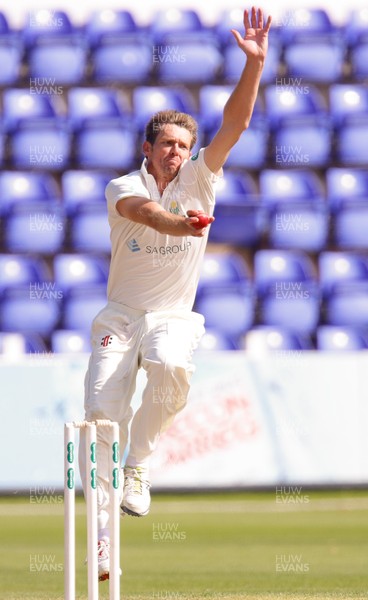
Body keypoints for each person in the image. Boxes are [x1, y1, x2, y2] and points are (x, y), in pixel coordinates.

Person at [78, 6, 272, 581]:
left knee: (169, 364)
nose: (175, 154)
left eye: (183, 146)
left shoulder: (201, 179)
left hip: (171, 315)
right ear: (147, 146)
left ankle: (140, 466)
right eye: (166, 144)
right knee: (99, 416)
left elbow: (234, 126)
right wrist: (176, 224)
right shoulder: (123, 187)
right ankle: (103, 538)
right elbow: (144, 213)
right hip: (121, 314)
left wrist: (254, 66)